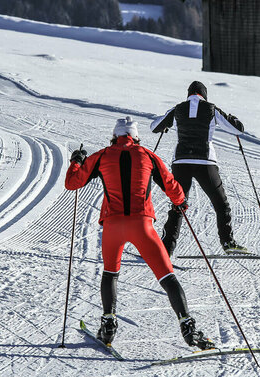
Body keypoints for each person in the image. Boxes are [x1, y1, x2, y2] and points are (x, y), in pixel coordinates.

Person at [65, 116, 214, 350]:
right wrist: (181, 202)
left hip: (113, 226)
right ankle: (188, 327)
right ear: (136, 137)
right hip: (142, 225)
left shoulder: (101, 156)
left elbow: (72, 183)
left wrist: (76, 161)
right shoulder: (148, 155)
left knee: (110, 272)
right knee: (167, 276)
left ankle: (108, 325)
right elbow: (170, 184)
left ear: (115, 137)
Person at [150, 81, 247, 256]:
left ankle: (165, 248)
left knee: (178, 204)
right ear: (205, 95)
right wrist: (233, 118)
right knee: (221, 204)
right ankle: (228, 242)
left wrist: (166, 125)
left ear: (188, 95)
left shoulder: (177, 109)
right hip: (206, 162)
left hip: (181, 163)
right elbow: (237, 129)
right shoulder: (211, 108)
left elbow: (154, 127)